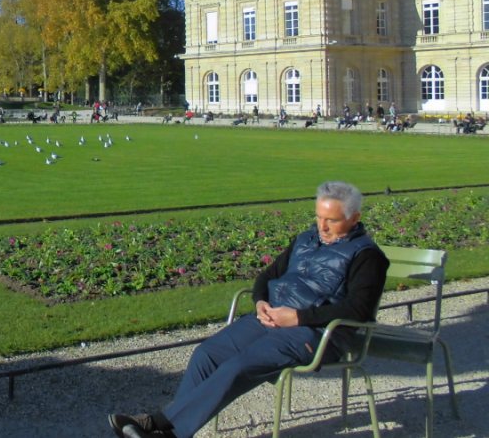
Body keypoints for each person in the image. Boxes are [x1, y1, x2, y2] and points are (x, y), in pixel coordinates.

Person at [109, 181, 388, 438]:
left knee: (237, 367)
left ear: (354, 219)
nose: (322, 226)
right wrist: (260, 302)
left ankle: (159, 425)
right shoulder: (305, 239)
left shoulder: (367, 256)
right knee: (206, 354)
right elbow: (267, 276)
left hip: (316, 332)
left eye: (332, 220)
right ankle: (173, 431)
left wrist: (298, 317)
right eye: (319, 216)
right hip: (272, 318)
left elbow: (359, 309)